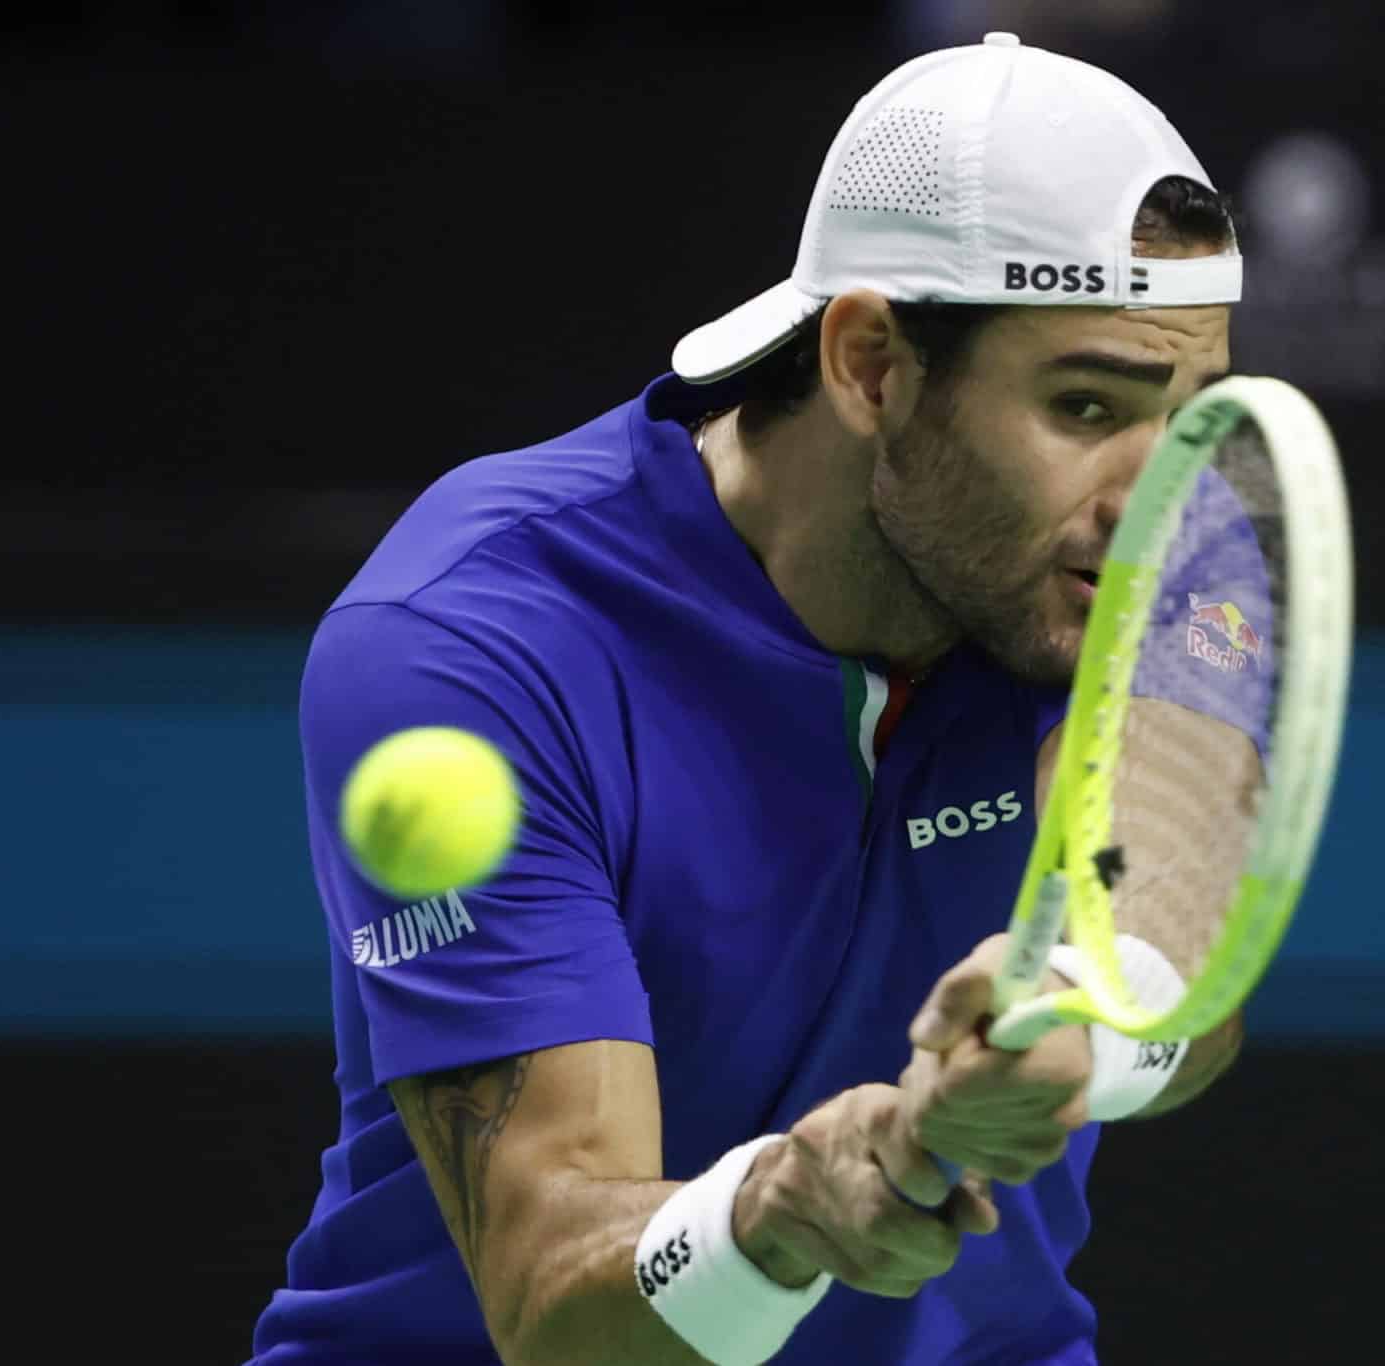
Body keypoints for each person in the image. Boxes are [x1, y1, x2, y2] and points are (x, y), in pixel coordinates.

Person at [250, 30, 1246, 1366]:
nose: (1156, 505)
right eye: (1082, 404)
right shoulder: (475, 638)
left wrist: (1077, 1027)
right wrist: (779, 1213)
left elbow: (1178, 956)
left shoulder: (1163, 559)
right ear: (872, 364)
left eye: (1191, 412)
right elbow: (555, 1296)